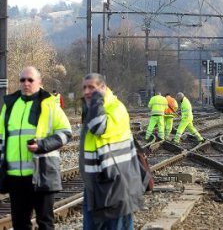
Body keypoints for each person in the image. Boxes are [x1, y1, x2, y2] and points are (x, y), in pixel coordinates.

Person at [0, 66, 72, 230]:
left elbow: (65, 132)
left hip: (42, 174)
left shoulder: (49, 104)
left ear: (39, 82)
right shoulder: (10, 105)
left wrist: (42, 145)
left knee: (45, 223)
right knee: (19, 224)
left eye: (30, 80)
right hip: (16, 177)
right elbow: (1, 137)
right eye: (22, 80)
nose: (26, 83)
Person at [80, 73, 145, 230]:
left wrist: (96, 100)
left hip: (117, 186)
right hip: (95, 186)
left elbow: (98, 127)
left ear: (103, 88)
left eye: (92, 88)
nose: (87, 92)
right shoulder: (93, 109)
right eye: (84, 88)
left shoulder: (116, 109)